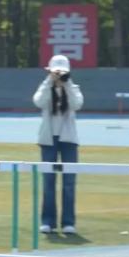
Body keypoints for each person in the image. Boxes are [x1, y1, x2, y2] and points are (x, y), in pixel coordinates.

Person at [33, 54, 83, 234]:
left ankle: (68, 222)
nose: (59, 76)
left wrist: (67, 84)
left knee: (69, 182)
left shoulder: (73, 88)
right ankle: (48, 221)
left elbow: (77, 104)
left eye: (63, 72)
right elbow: (38, 101)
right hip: (48, 140)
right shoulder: (46, 88)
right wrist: (49, 80)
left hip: (68, 140)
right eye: (56, 72)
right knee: (48, 181)